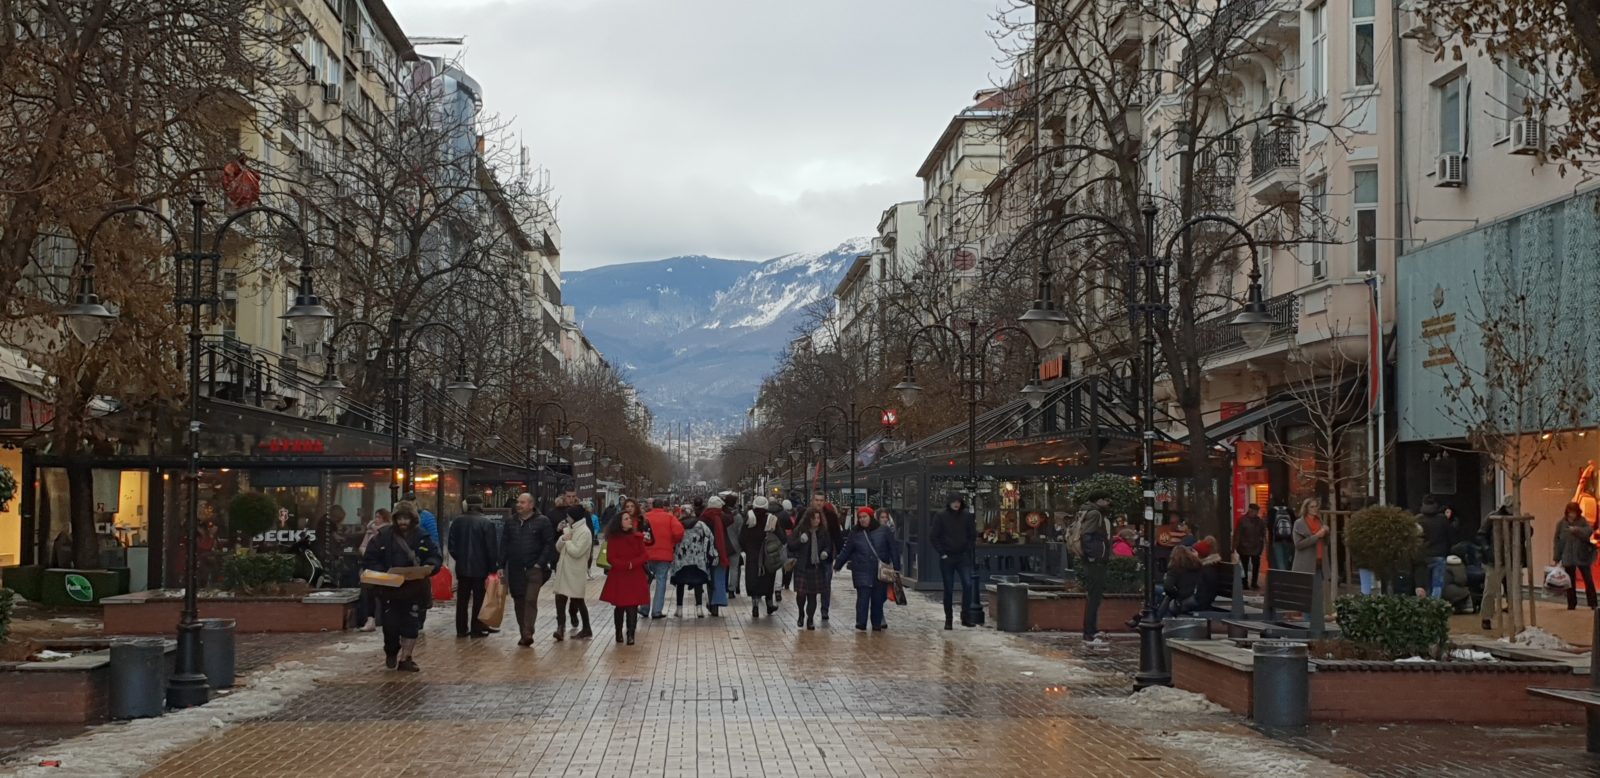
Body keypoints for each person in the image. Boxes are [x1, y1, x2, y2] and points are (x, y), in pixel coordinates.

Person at [361, 504, 441, 672]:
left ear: (413, 519)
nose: (403, 522)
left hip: (414, 587)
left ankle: (406, 658)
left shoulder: (422, 536)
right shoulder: (384, 536)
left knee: (411, 625)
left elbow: (434, 555)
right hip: (390, 588)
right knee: (390, 626)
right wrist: (383, 572)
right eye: (400, 518)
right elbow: (370, 558)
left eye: (406, 518)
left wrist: (430, 566)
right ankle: (391, 650)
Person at [501, 492, 555, 648]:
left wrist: (540, 563)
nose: (518, 505)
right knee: (519, 599)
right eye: (518, 502)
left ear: (531, 505)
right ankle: (524, 632)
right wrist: (500, 565)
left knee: (530, 599)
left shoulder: (542, 521)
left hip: (534, 568)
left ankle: (528, 632)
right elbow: (504, 544)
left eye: (522, 502)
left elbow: (548, 544)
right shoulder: (510, 522)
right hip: (515, 568)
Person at [835, 506, 899, 631]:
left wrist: (896, 567)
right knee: (863, 597)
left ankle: (876, 623)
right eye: (860, 517)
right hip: (861, 569)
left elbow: (893, 549)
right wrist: (838, 564)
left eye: (864, 517)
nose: (862, 519)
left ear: (870, 517)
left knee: (878, 599)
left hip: (880, 570)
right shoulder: (855, 532)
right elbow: (847, 550)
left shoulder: (884, 530)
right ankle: (861, 622)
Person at [447, 495, 500, 638]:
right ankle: (477, 628)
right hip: (481, 568)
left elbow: (451, 546)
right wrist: (492, 568)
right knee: (479, 600)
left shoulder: (457, 522)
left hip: (462, 568)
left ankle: (461, 629)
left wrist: (460, 558)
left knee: (462, 600)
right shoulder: (487, 523)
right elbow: (491, 549)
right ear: (480, 506)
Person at [601, 506, 653, 645]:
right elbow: (611, 557)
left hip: (635, 575)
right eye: (626, 519)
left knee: (632, 606)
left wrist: (632, 564)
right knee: (620, 606)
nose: (629, 520)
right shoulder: (613, 539)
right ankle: (618, 631)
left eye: (629, 518)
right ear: (619, 522)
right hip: (619, 575)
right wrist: (625, 565)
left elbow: (644, 555)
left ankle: (631, 634)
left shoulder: (637, 537)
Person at [929, 492, 977, 630]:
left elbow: (972, 535)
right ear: (949, 502)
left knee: (968, 585)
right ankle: (948, 619)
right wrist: (942, 553)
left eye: (959, 502)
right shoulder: (941, 516)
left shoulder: (966, 516)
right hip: (948, 557)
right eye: (954, 501)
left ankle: (965, 617)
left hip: (962, 556)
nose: (956, 504)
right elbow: (934, 536)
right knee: (948, 589)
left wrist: (967, 549)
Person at [551, 501, 595, 640]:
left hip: (575, 572)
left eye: (568, 516)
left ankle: (587, 628)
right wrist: (563, 538)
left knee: (578, 600)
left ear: (574, 517)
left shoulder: (585, 532)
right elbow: (558, 548)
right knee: (560, 599)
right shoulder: (570, 528)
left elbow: (577, 552)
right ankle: (560, 628)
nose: (566, 518)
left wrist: (568, 541)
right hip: (564, 570)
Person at [670, 502, 718, 617]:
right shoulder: (700, 524)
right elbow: (710, 537)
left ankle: (679, 609)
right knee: (698, 583)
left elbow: (672, 538)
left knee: (680, 583)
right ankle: (699, 609)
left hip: (681, 559)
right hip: (698, 559)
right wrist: (711, 553)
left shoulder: (677, 524)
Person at [789, 507, 832, 630]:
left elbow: (828, 545)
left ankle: (810, 619)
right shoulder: (800, 530)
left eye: (818, 518)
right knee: (801, 594)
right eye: (814, 518)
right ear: (808, 519)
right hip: (802, 567)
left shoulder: (823, 532)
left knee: (812, 596)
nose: (816, 520)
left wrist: (825, 552)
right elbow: (791, 545)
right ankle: (801, 613)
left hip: (816, 567)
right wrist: (800, 540)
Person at [1076, 496, 1112, 643]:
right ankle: (1089, 631)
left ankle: (1091, 629)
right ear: (1098, 500)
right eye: (1106, 499)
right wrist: (1093, 555)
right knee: (1094, 597)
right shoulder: (1095, 514)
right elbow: (1086, 535)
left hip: (1093, 560)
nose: (1108, 502)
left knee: (1093, 596)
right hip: (1094, 561)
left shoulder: (1089, 512)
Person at [740, 496, 782, 618]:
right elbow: (781, 536)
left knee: (753, 579)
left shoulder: (749, 518)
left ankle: (755, 605)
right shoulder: (771, 519)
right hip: (768, 555)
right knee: (768, 579)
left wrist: (747, 550)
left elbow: (741, 537)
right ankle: (769, 604)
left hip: (753, 555)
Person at [643, 498, 685, 619]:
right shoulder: (669, 517)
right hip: (664, 554)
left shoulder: (645, 517)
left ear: (652, 506)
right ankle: (656, 611)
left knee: (646, 581)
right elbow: (679, 532)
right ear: (663, 506)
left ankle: (644, 608)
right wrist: (672, 542)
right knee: (661, 581)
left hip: (646, 554)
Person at [1554, 501, 1599, 610]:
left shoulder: (1582, 521)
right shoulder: (1561, 524)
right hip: (1568, 555)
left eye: (1574, 512)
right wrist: (1557, 557)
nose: (1572, 515)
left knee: (1588, 579)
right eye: (1570, 512)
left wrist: (1576, 530)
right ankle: (1571, 603)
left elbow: (1589, 531)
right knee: (1570, 581)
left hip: (1581, 554)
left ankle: (1593, 603)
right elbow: (1557, 541)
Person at [356, 508, 391, 632]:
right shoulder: (370, 532)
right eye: (375, 516)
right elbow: (363, 545)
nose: (376, 519)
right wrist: (365, 551)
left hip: (383, 568)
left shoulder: (387, 531)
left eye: (379, 517)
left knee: (383, 594)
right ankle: (370, 619)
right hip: (370, 565)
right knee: (369, 593)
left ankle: (384, 620)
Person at [811, 493, 843, 621]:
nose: (819, 503)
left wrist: (840, 556)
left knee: (826, 583)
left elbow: (837, 535)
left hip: (827, 555)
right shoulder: (806, 514)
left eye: (821, 500)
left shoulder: (830, 516)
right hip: (810, 555)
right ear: (812, 501)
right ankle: (810, 611)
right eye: (816, 500)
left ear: (824, 501)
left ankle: (824, 609)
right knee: (811, 585)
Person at [1417, 495, 1453, 599]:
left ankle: (1425, 604)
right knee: (1437, 584)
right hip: (1439, 554)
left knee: (1425, 584)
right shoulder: (1442, 519)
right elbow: (1450, 536)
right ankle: (1435, 605)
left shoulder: (1418, 519)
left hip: (1423, 555)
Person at [1154, 545, 1203, 619]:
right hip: (1193, 596)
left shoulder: (1175, 568)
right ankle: (1159, 616)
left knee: (1158, 591)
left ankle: (1159, 617)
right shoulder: (1197, 566)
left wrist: (1175, 594)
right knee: (1165, 596)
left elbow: (1168, 587)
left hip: (1181, 598)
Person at [702, 495, 732, 617]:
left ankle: (712, 603)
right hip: (721, 551)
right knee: (719, 577)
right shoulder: (723, 517)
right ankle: (716, 603)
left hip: (707, 552)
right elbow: (731, 518)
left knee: (710, 578)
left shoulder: (704, 518)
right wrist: (726, 508)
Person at [1234, 503, 1267, 590]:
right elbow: (1237, 534)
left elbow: (1263, 534)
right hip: (1244, 547)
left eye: (1257, 511)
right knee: (1244, 566)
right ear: (1250, 510)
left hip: (1255, 547)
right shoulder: (1242, 520)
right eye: (1255, 511)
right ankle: (1245, 583)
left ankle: (1253, 583)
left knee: (1255, 566)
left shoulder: (1259, 521)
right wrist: (1234, 546)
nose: (1256, 513)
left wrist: (1261, 545)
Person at [1292, 498, 1326, 574]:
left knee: (1320, 582)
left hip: (1320, 561)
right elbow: (1298, 545)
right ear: (1306, 509)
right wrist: (1316, 536)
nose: (1315, 509)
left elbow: (1325, 542)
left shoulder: (1320, 521)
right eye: (1312, 507)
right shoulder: (1299, 523)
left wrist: (1327, 532)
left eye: (1316, 506)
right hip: (1305, 564)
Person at [722, 494, 743, 599]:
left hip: (723, 545)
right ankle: (731, 590)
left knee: (722, 568)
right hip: (735, 545)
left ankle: (722, 587)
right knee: (734, 569)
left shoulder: (722, 515)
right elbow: (740, 532)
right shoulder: (738, 517)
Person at [1268, 498, 1297, 570]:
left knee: (1280, 561)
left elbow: (1269, 526)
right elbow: (1295, 525)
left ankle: (1283, 575)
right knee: (1287, 560)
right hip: (1289, 540)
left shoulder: (1272, 511)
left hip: (1277, 540)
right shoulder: (1290, 511)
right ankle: (1286, 573)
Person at [775, 499, 796, 599]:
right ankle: (784, 584)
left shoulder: (775, 514)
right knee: (787, 561)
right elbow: (792, 526)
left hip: (775, 541)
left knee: (778, 564)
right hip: (787, 540)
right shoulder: (789, 516)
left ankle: (780, 584)